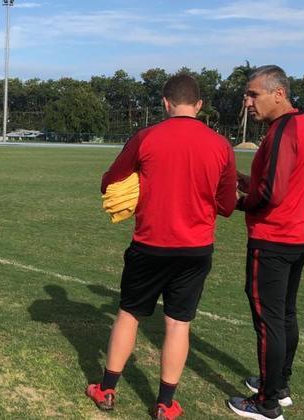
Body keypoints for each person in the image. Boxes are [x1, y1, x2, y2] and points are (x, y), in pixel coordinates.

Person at [86, 74, 236, 418]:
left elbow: (109, 181)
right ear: (199, 105)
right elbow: (227, 205)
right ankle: (165, 404)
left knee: (129, 314)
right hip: (196, 249)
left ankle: (106, 389)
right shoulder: (220, 145)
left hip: (150, 244)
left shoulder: (146, 137)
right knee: (178, 324)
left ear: (165, 103)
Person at [227, 66, 304, 420]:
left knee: (269, 322)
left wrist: (236, 202)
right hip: (300, 235)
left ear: (278, 94)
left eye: (253, 95)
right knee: (285, 314)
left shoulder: (282, 131)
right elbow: (282, 180)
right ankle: (279, 385)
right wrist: (242, 180)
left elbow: (270, 193)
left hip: (273, 238)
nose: (248, 102)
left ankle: (266, 403)